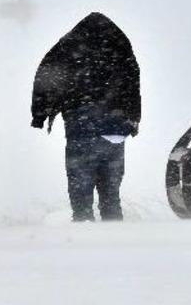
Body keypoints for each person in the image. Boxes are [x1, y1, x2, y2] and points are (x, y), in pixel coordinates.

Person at [30, 12, 141, 222]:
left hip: (81, 127)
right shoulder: (119, 43)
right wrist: (134, 119)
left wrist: (40, 114)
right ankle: (115, 238)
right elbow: (133, 82)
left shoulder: (71, 43)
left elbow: (45, 75)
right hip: (115, 130)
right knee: (111, 196)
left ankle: (83, 239)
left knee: (81, 195)